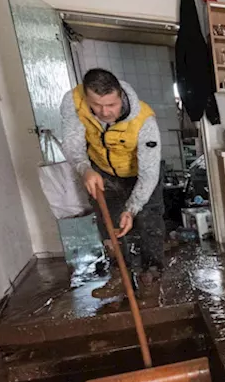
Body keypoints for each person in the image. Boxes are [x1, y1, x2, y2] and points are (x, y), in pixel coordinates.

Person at [59, 68, 164, 301]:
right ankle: (120, 275)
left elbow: (149, 173)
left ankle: (152, 274)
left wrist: (132, 208)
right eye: (96, 105)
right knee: (109, 228)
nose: (104, 112)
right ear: (87, 97)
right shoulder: (73, 102)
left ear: (120, 96)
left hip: (139, 172)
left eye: (111, 105)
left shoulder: (144, 120)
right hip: (100, 170)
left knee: (149, 222)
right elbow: (73, 142)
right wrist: (84, 169)